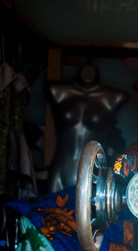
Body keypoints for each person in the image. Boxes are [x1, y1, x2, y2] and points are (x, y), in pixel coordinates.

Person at [47, 63, 128, 193]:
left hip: (93, 171)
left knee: (91, 211)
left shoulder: (114, 97)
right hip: (61, 165)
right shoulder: (57, 91)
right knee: (52, 211)